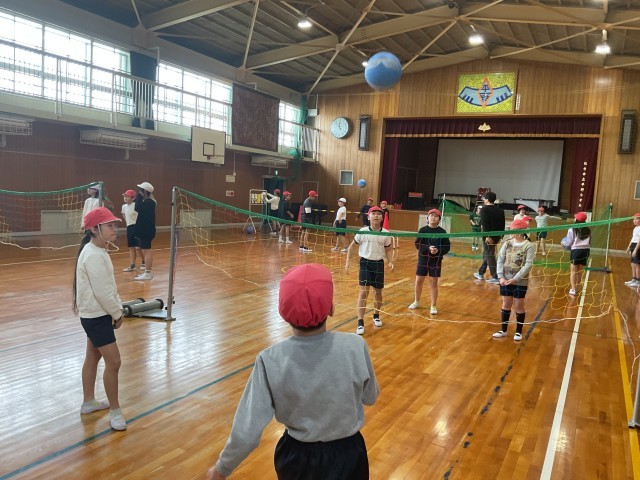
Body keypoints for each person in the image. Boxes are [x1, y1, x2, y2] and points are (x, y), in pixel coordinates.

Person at [206, 263, 379, 480]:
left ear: (283, 312)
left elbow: (247, 429)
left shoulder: (270, 359)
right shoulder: (354, 346)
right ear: (331, 308)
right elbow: (370, 397)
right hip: (349, 456)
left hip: (296, 458)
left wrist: (221, 470)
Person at [73, 207, 127, 431]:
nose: (115, 229)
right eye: (110, 226)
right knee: (114, 362)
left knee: (93, 357)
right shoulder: (93, 255)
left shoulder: (97, 250)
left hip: (95, 315)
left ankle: (88, 402)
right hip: (96, 317)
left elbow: (109, 287)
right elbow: (102, 292)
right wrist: (117, 313)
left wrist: (117, 306)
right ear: (95, 229)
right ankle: (115, 412)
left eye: (115, 225)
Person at [346, 206, 395, 335]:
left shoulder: (385, 233)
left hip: (378, 263)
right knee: (363, 292)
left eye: (379, 213)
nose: (376, 215)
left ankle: (376, 315)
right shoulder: (362, 231)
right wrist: (347, 263)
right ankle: (360, 322)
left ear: (382, 217)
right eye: (373, 213)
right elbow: (351, 247)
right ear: (368, 217)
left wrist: (390, 261)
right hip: (365, 263)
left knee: (378, 292)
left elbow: (388, 249)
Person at [492, 218, 536, 341]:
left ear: (521, 231)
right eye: (511, 230)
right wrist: (500, 276)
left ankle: (518, 332)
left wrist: (516, 279)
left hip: (520, 282)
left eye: (514, 230)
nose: (512, 232)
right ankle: (503, 330)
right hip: (505, 280)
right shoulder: (507, 243)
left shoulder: (529, 246)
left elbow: (528, 265)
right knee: (506, 304)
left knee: (519, 305)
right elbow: (500, 259)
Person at [409, 209, 450, 315]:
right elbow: (418, 244)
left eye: (436, 216)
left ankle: (433, 305)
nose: (433, 217)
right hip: (423, 259)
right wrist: (428, 248)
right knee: (419, 281)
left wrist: (438, 251)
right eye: (431, 215)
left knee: (433, 283)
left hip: (435, 261)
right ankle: (416, 301)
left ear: (439, 219)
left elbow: (447, 247)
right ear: (427, 218)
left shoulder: (442, 232)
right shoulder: (423, 230)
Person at [473, 191, 505, 284]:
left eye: (484, 199)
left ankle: (495, 276)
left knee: (490, 254)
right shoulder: (500, 210)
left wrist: (487, 236)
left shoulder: (485, 209)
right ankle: (480, 272)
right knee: (488, 253)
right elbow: (502, 224)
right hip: (497, 235)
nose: (484, 200)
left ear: (487, 200)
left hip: (488, 236)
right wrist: (501, 236)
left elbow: (485, 224)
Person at [561, 212, 591, 296]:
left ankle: (573, 289)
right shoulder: (588, 230)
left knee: (573, 271)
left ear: (577, 220)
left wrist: (563, 244)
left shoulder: (572, 229)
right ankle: (577, 288)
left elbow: (569, 242)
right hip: (586, 251)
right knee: (580, 271)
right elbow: (589, 241)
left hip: (576, 251)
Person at [134, 181, 156, 280]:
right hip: (145, 230)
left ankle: (148, 273)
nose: (139, 192)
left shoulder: (149, 202)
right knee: (145, 250)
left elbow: (137, 207)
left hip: (147, 230)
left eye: (141, 190)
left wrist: (138, 196)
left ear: (145, 191)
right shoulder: (147, 201)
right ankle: (147, 272)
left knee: (147, 251)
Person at [121, 189, 144, 272]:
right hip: (129, 227)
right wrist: (128, 222)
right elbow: (123, 214)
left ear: (133, 198)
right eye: (124, 196)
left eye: (127, 196)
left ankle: (144, 261)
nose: (125, 198)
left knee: (138, 247)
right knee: (131, 247)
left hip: (137, 227)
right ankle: (132, 265)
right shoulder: (124, 206)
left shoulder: (136, 205)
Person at [625, 213, 640, 287]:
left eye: (636, 219)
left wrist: (636, 250)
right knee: (632, 264)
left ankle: (638, 281)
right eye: (634, 219)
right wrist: (628, 247)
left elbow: (639, 240)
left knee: (637, 264)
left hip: (637, 246)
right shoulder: (635, 228)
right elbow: (632, 238)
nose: (634, 221)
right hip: (633, 245)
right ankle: (634, 279)